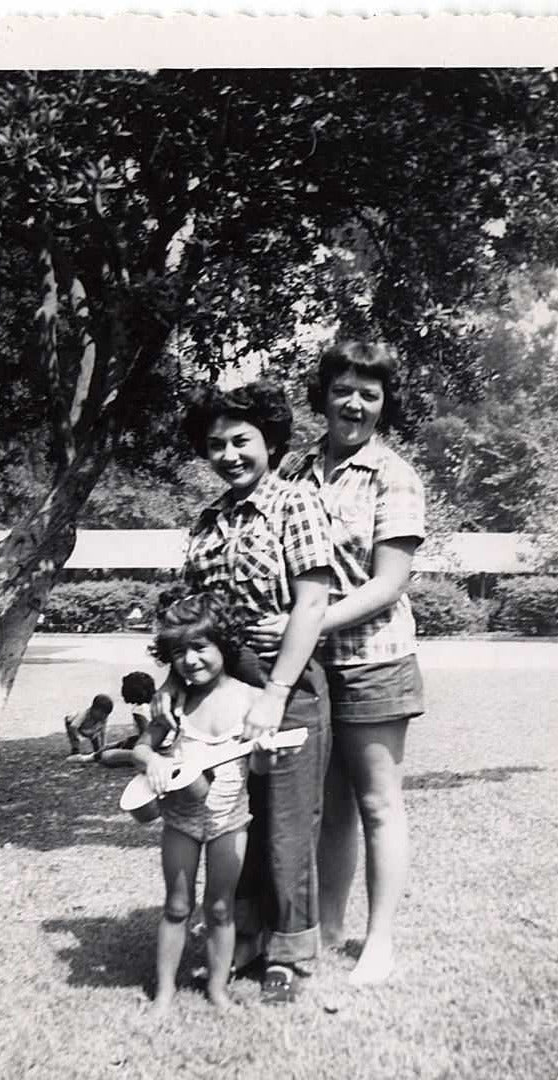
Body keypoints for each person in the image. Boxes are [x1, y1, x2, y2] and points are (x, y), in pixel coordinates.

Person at [267, 340, 426, 986]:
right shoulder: (296, 470)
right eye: (343, 389)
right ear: (323, 396)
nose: (354, 403)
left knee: (378, 804)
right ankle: (327, 928)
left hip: (374, 661)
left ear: (384, 403)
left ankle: (378, 940)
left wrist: (305, 624)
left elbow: (388, 583)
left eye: (370, 392)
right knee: (330, 808)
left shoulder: (394, 475)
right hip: (311, 670)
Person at [169, 380, 333, 1004]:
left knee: (288, 824)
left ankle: (287, 951)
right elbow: (189, 616)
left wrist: (275, 694)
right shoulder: (207, 520)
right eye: (216, 445)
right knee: (235, 817)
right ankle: (244, 932)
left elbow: (312, 603)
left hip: (285, 683)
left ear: (270, 440)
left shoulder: (297, 505)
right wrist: (173, 689)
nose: (230, 454)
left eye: (242, 440)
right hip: (222, 688)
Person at [131, 593, 279, 1015]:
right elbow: (140, 749)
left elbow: (263, 770)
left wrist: (266, 751)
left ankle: (217, 989)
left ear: (223, 646)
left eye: (200, 647)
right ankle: (163, 994)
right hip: (180, 820)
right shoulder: (176, 702)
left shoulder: (252, 699)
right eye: (178, 652)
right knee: (177, 906)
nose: (190, 661)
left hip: (230, 822)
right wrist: (155, 759)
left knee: (219, 907)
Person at [69, 671, 156, 766]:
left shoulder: (139, 711)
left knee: (106, 756)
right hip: (161, 745)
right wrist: (121, 743)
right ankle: (92, 756)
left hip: (151, 750)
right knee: (112, 746)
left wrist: (125, 745)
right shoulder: (156, 703)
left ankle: (88, 758)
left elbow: (147, 739)